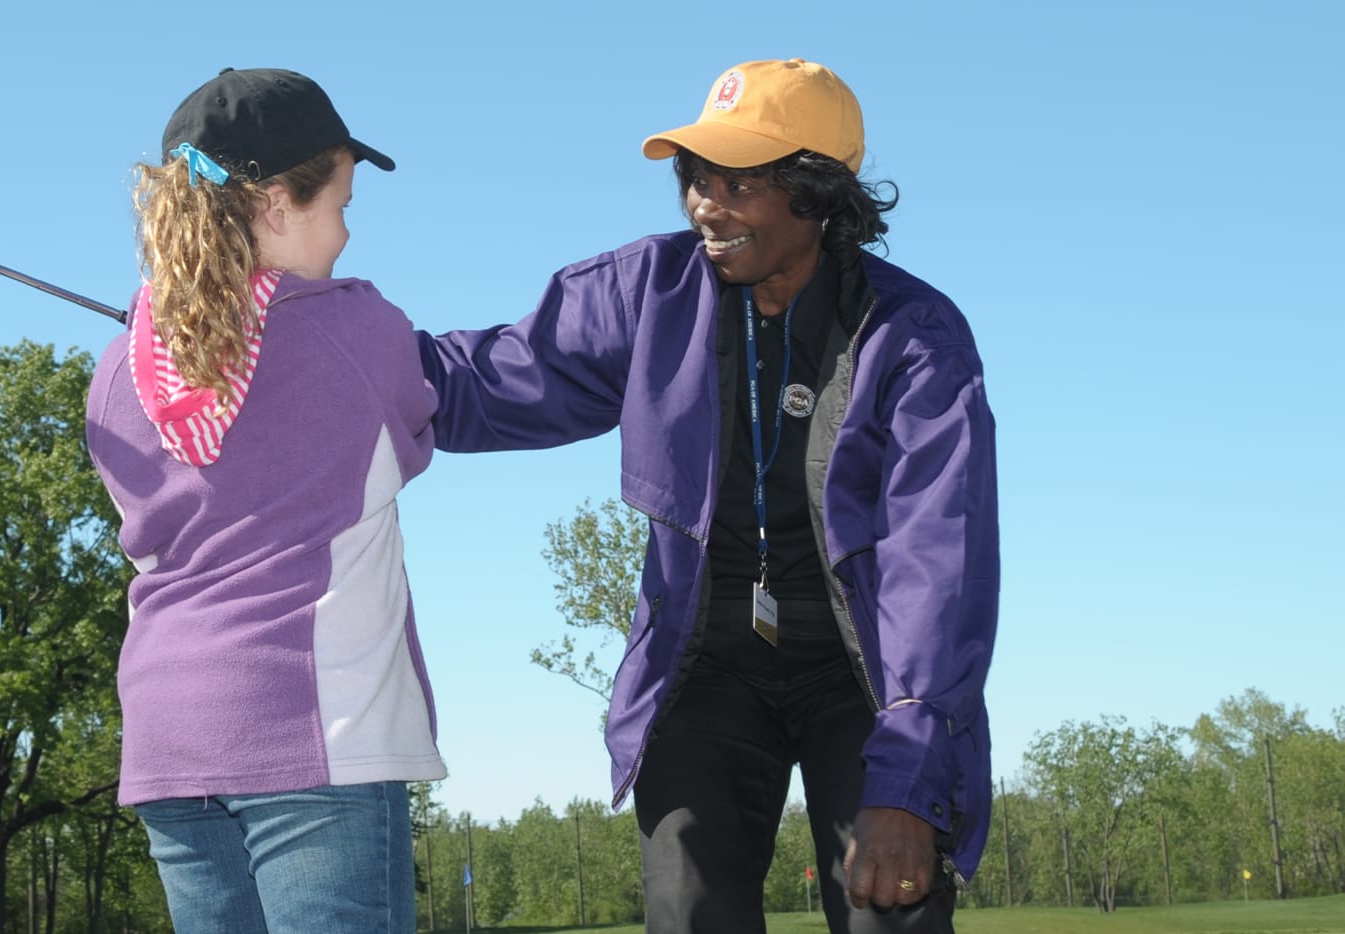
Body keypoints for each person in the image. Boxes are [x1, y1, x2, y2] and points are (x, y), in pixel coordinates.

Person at [417, 59, 999, 933]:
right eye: (695, 178)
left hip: (870, 680)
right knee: (689, 909)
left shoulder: (915, 339)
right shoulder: (647, 294)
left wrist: (911, 778)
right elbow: (488, 380)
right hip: (706, 666)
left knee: (891, 913)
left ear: (818, 193)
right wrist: (337, 353)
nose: (704, 206)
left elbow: (938, 561)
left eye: (739, 183)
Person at [85, 67, 443, 934]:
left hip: (172, 748)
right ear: (277, 204)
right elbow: (416, 434)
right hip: (314, 735)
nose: (349, 233)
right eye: (341, 205)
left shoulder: (114, 374)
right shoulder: (361, 329)